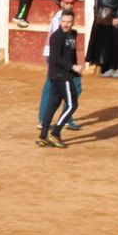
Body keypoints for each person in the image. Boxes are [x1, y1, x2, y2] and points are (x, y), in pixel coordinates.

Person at [37, 8, 80, 148]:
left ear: (73, 22)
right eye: (64, 21)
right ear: (60, 21)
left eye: (69, 22)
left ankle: (43, 136)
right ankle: (55, 133)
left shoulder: (73, 34)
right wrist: (73, 67)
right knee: (72, 105)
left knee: (53, 105)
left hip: (61, 75)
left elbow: (71, 55)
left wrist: (75, 71)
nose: (66, 24)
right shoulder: (56, 37)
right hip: (62, 76)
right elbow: (55, 58)